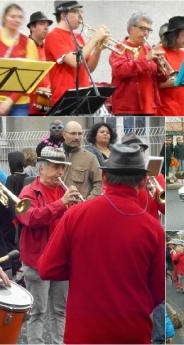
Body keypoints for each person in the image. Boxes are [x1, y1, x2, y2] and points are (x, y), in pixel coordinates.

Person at [38, 144, 165, 343]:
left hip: (84, 332)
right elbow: (158, 292)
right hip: (133, 332)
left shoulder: (75, 215)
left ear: (104, 177)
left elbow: (47, 269)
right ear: (142, 181)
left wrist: (82, 268)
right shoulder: (154, 228)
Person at [16, 146, 81, 344]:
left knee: (61, 310)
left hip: (62, 260)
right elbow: (30, 218)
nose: (61, 172)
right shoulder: (28, 192)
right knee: (38, 312)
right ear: (41, 168)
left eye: (63, 167)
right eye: (56, 167)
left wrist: (79, 209)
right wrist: (61, 203)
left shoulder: (63, 190)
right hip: (37, 261)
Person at [45, 1, 109, 106]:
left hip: (83, 96)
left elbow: (89, 68)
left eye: (81, 12)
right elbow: (75, 62)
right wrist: (95, 38)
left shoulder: (78, 37)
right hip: (64, 98)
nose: (81, 16)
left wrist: (98, 49)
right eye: (75, 12)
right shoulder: (53, 36)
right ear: (63, 15)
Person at [109, 12, 165, 115]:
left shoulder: (148, 49)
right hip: (127, 108)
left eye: (149, 30)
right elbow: (120, 70)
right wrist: (146, 59)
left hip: (150, 108)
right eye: (143, 28)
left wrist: (161, 68)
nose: (146, 33)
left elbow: (158, 79)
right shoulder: (119, 48)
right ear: (130, 29)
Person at [0, 3, 38, 116]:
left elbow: (29, 77)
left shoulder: (29, 43)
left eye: (20, 17)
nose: (16, 20)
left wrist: (9, 101)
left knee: (19, 133)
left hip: (20, 103)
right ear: (4, 18)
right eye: (12, 16)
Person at [157, 16, 184, 116]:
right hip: (168, 111)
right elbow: (156, 85)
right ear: (174, 36)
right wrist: (178, 81)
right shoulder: (159, 52)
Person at [121, 133, 165, 220]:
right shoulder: (116, 177)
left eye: (141, 150)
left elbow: (164, 209)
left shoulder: (156, 175)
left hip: (151, 229)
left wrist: (155, 191)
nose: (138, 153)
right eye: (133, 149)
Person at [63, 121, 102, 199]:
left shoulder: (90, 158)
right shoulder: (56, 155)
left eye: (80, 134)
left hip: (78, 207)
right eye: (73, 133)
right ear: (64, 135)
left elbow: (99, 184)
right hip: (57, 206)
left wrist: (86, 203)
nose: (77, 137)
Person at [27, 11, 53, 115]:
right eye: (42, 24)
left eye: (47, 25)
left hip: (46, 99)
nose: (46, 28)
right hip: (28, 103)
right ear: (32, 27)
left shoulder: (49, 48)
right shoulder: (24, 47)